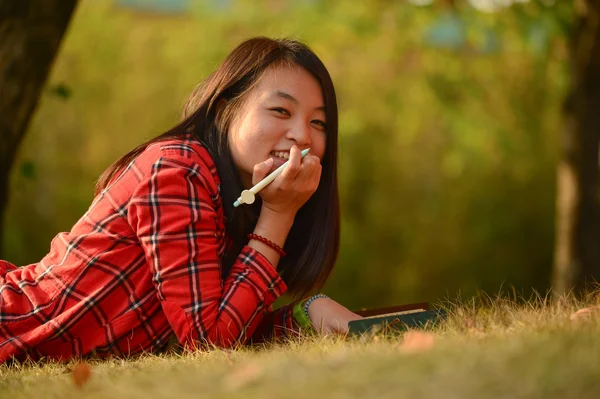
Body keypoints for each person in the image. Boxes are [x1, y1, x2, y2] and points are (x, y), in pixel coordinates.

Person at [0, 37, 362, 363]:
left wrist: (310, 312)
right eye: (281, 111)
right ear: (224, 110)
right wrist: (279, 214)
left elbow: (228, 326)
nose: (302, 136)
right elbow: (209, 343)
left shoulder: (243, 198)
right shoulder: (177, 170)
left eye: (320, 124)